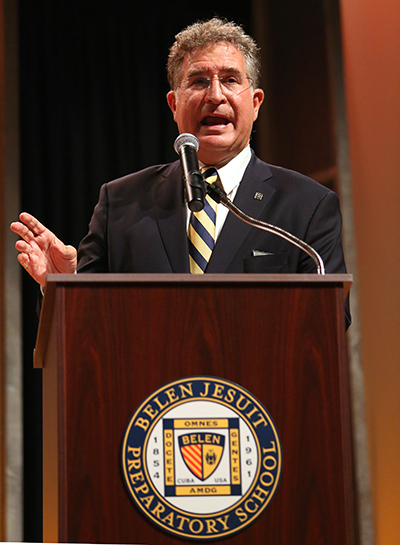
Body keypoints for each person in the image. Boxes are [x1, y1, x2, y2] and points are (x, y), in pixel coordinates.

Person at [10, 18, 350, 324]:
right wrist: (65, 286)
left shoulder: (308, 206)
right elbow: (83, 334)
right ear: (174, 104)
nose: (215, 95)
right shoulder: (121, 202)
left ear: (256, 102)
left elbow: (329, 327)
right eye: (199, 81)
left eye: (230, 80)